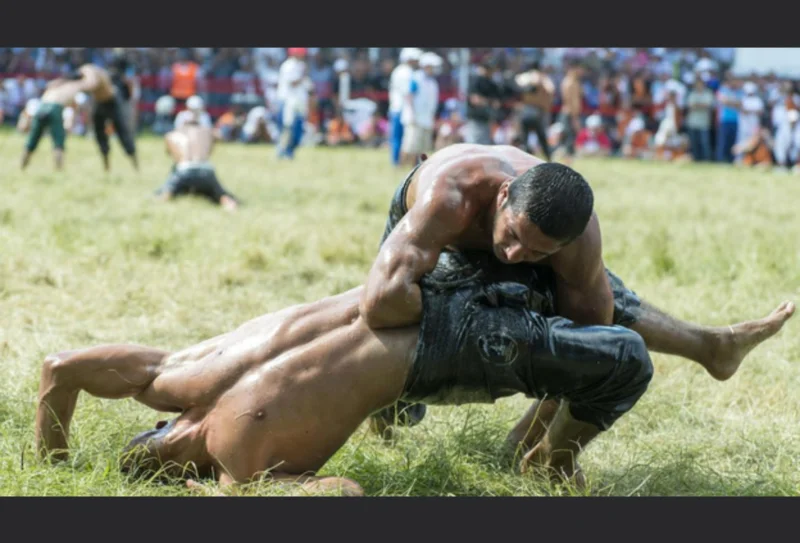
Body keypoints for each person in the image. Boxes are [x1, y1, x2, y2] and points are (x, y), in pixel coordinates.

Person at [359, 143, 795, 471]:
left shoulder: (578, 240)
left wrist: (531, 435)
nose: (513, 255)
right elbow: (382, 300)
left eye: (536, 253)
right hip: (446, 221)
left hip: (530, 227)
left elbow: (589, 353)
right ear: (504, 195)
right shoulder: (448, 197)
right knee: (400, 331)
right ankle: (385, 420)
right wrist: (473, 320)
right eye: (513, 236)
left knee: (588, 303)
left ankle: (711, 346)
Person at [153, 122, 239, 212]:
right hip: (206, 170)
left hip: (184, 170)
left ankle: (164, 198)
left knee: (166, 192)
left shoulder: (174, 134)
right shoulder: (208, 131)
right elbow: (217, 139)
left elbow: (173, 155)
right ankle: (229, 206)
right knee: (221, 195)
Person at [75, 63, 139, 172]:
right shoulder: (88, 72)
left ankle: (135, 165)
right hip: (99, 103)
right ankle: (107, 167)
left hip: (112, 102)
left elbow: (90, 84)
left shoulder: (93, 72)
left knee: (122, 132)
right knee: (100, 134)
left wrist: (77, 85)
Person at [19, 78, 86, 171]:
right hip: (55, 108)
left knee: (33, 138)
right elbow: (74, 108)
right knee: (58, 141)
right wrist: (71, 123)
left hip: (41, 107)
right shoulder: (72, 88)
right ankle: (59, 169)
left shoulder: (54, 86)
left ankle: (22, 166)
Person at [399, 52, 440, 165]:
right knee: (410, 145)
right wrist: (412, 113)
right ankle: (401, 166)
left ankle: (417, 167)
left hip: (426, 119)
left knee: (422, 147)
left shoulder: (432, 82)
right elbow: (409, 96)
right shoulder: (416, 78)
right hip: (415, 117)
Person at [276, 48, 313, 160]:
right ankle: (282, 151)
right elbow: (293, 83)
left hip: (298, 101)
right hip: (288, 101)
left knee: (298, 128)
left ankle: (290, 152)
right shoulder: (288, 65)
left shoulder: (300, 65)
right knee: (287, 127)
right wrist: (303, 75)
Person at [514, 61, 554, 160]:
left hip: (526, 109)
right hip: (537, 111)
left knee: (525, 137)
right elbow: (551, 90)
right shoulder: (542, 78)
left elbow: (516, 86)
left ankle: (524, 158)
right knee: (541, 137)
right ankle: (548, 158)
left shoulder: (523, 77)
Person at [388, 49, 422, 166]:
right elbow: (408, 91)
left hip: (403, 109)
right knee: (399, 138)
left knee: (404, 138)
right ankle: (396, 162)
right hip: (400, 109)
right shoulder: (404, 72)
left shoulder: (406, 71)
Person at [464, 57, 501, 146]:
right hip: (475, 119)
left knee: (485, 146)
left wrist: (486, 101)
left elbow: (497, 103)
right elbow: (475, 100)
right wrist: (489, 102)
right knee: (473, 145)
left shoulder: (493, 84)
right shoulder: (476, 80)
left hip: (487, 120)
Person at [558, 60, 583, 165]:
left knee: (571, 135)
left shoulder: (573, 82)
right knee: (569, 136)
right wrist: (574, 117)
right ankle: (567, 159)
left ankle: (569, 157)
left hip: (571, 113)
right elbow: (569, 101)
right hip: (569, 113)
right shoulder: (569, 83)